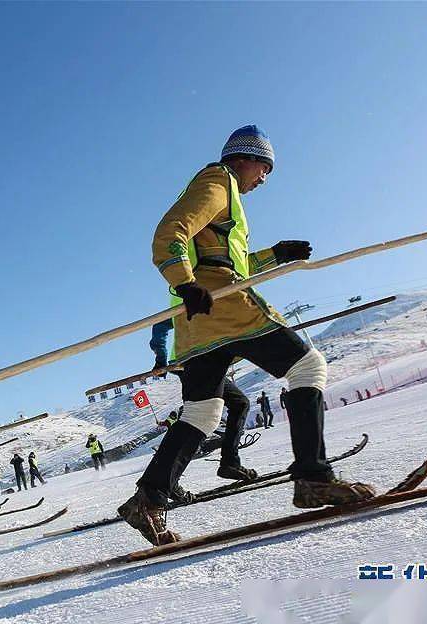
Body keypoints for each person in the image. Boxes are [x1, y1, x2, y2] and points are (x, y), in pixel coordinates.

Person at [118, 125, 375, 546]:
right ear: (244, 158)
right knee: (309, 366)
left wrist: (275, 255)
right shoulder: (218, 181)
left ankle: (148, 499)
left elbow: (224, 260)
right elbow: (170, 233)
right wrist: (185, 282)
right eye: (264, 166)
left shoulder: (226, 197)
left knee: (202, 413)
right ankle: (312, 476)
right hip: (223, 306)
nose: (265, 178)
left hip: (198, 321)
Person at [148, 316, 254, 481]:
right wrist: (161, 360)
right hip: (196, 360)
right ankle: (165, 482)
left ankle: (230, 462)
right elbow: (160, 325)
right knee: (197, 421)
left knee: (239, 404)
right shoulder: (196, 299)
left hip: (203, 361)